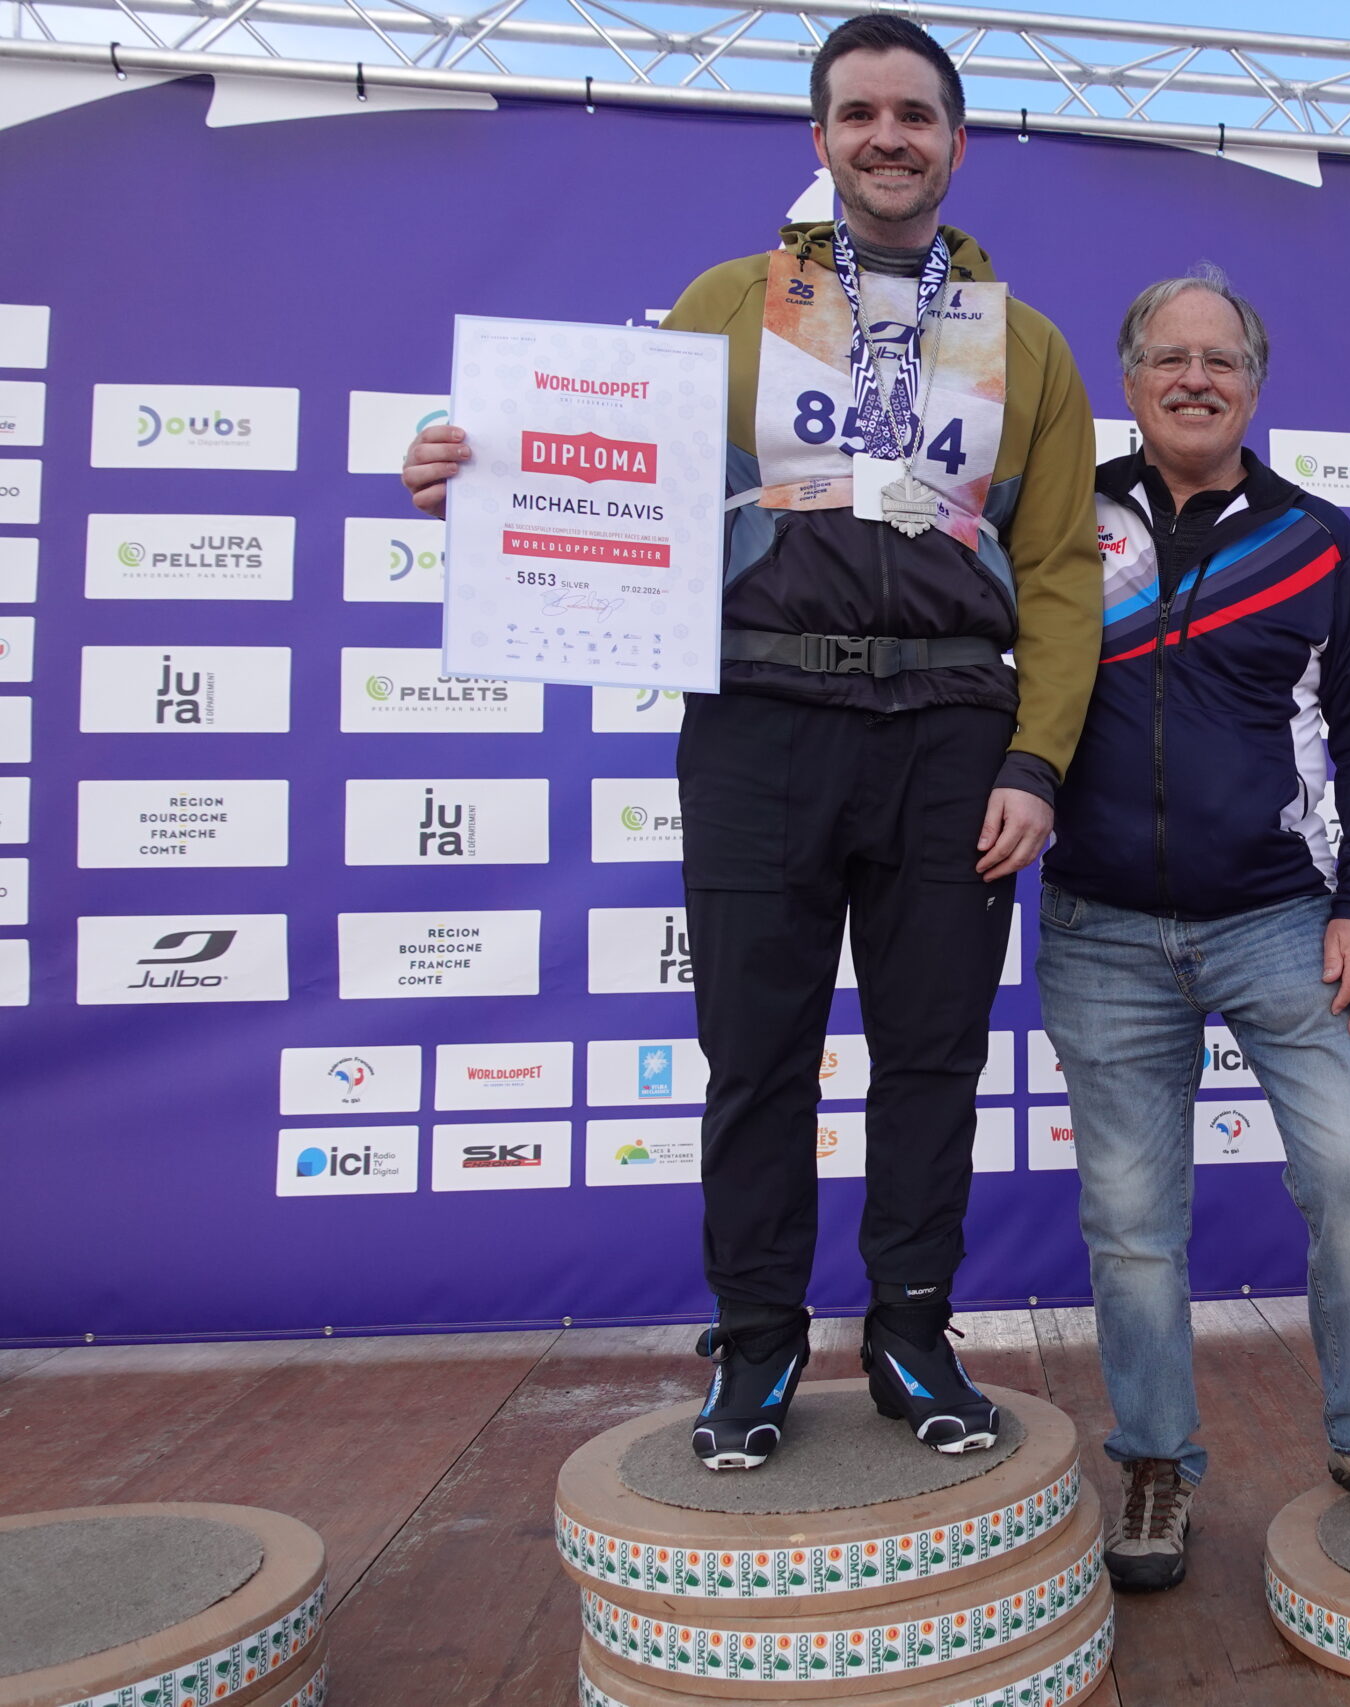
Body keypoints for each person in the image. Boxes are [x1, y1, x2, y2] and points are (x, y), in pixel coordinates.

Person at [402, 13, 1101, 1467]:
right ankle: (758, 1341)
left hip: (950, 735)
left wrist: (1034, 763)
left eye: (915, 115)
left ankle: (912, 1335)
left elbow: (1056, 573)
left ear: (958, 144)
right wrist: (471, 471)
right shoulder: (729, 301)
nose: (889, 137)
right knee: (757, 1058)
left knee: (933, 1059)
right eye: (861, 114)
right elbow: (608, 464)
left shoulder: (1025, 341)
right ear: (820, 139)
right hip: (760, 721)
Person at [1036, 265, 1350, 1592]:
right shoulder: (1058, 519)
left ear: (1256, 386)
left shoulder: (1317, 541)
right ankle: (1155, 1463)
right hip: (1101, 928)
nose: (1195, 378)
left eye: (1221, 359)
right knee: (1131, 1221)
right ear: (1129, 378)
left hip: (1282, 919)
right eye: (1170, 357)